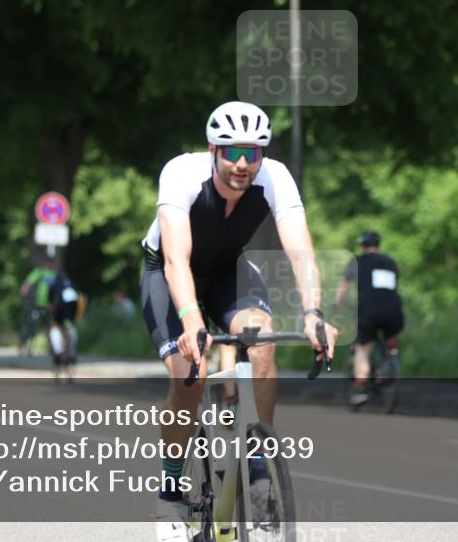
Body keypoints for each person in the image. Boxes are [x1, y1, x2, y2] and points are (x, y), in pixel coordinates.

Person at [140, 101, 338, 541]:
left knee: (263, 342)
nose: (243, 163)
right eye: (233, 152)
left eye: (253, 152)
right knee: (188, 372)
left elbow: (301, 251)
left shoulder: (275, 177)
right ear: (213, 149)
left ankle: (258, 469)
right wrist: (191, 320)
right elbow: (176, 260)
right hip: (170, 274)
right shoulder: (181, 173)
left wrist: (314, 313)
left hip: (230, 271)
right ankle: (171, 488)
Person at [335, 231, 405, 405]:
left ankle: (360, 388)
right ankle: (388, 365)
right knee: (389, 337)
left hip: (369, 312)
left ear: (362, 246)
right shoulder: (391, 262)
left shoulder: (357, 261)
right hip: (394, 312)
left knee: (362, 349)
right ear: (378, 245)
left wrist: (338, 303)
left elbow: (344, 285)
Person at [19, 257, 56, 353]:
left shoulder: (54, 275)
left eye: (51, 263)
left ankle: (52, 347)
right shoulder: (39, 272)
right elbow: (28, 282)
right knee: (31, 325)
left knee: (50, 326)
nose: (49, 264)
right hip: (37, 304)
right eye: (48, 262)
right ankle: (25, 345)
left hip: (49, 306)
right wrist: (24, 291)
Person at [47, 269, 80, 367]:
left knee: (55, 329)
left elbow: (50, 303)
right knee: (71, 327)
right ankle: (72, 353)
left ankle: (58, 353)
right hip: (72, 309)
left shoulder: (54, 284)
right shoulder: (72, 284)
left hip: (60, 309)